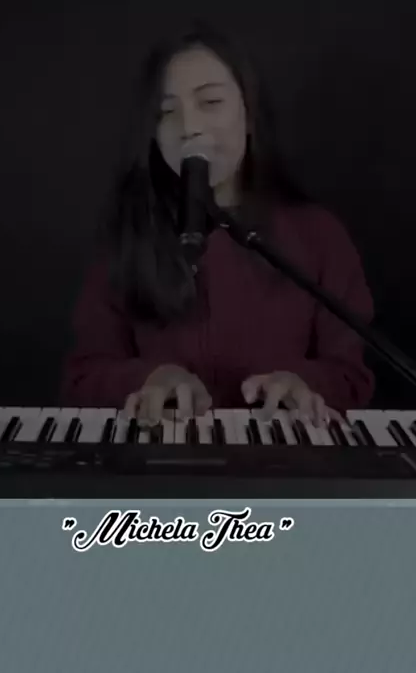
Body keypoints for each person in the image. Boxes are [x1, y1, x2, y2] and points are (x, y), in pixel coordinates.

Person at [60, 22, 374, 427]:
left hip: (282, 457)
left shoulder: (320, 236)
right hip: (161, 456)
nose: (189, 127)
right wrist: (147, 379)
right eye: (167, 111)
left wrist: (305, 383)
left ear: (250, 114)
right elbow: (84, 375)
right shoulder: (129, 235)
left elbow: (351, 374)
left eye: (210, 102)